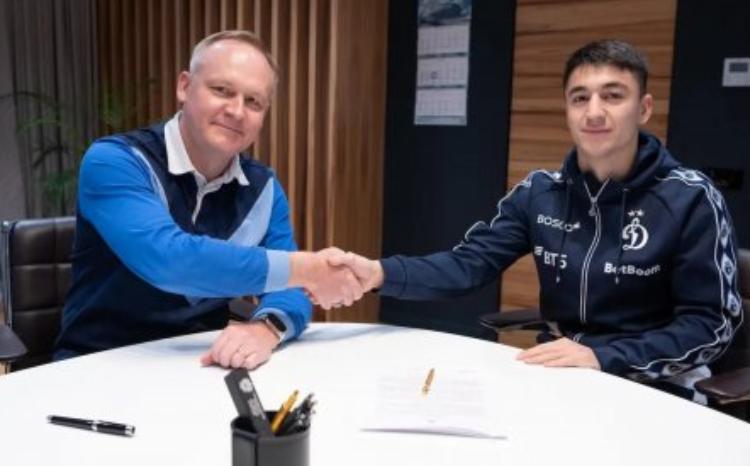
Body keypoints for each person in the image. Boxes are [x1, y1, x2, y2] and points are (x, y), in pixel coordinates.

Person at [330, 39, 744, 402]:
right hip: (563, 373)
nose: (593, 112)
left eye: (613, 96)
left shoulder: (691, 198)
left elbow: (710, 326)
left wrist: (603, 356)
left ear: (644, 109)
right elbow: (467, 265)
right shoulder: (539, 192)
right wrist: (379, 273)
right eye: (579, 98)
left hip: (658, 384)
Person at [55, 30, 363, 369]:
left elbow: (289, 289)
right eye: (222, 90)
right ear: (184, 87)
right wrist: (307, 269)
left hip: (204, 363)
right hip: (97, 364)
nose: (237, 111)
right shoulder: (115, 161)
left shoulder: (264, 189)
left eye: (253, 101)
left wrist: (268, 327)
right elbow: (170, 260)